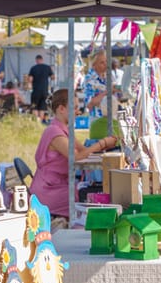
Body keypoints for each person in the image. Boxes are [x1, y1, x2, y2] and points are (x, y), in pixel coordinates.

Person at [30, 89, 117, 227]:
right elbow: (76, 156)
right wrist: (103, 143)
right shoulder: (54, 132)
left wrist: (106, 150)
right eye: (75, 108)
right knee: (87, 201)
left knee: (89, 192)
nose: (78, 112)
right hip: (48, 190)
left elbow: (83, 150)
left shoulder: (64, 130)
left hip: (58, 185)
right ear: (61, 109)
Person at [26, 54, 54, 122]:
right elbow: (53, 77)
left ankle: (36, 122)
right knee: (42, 107)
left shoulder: (33, 68)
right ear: (42, 60)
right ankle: (40, 122)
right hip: (44, 91)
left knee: (35, 107)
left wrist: (29, 83)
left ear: (36, 60)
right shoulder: (47, 67)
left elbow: (30, 79)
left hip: (36, 90)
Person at [82, 49, 108, 117]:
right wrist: (107, 92)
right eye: (102, 62)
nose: (106, 64)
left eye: (106, 61)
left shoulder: (106, 76)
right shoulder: (90, 79)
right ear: (94, 65)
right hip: (97, 119)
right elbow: (89, 103)